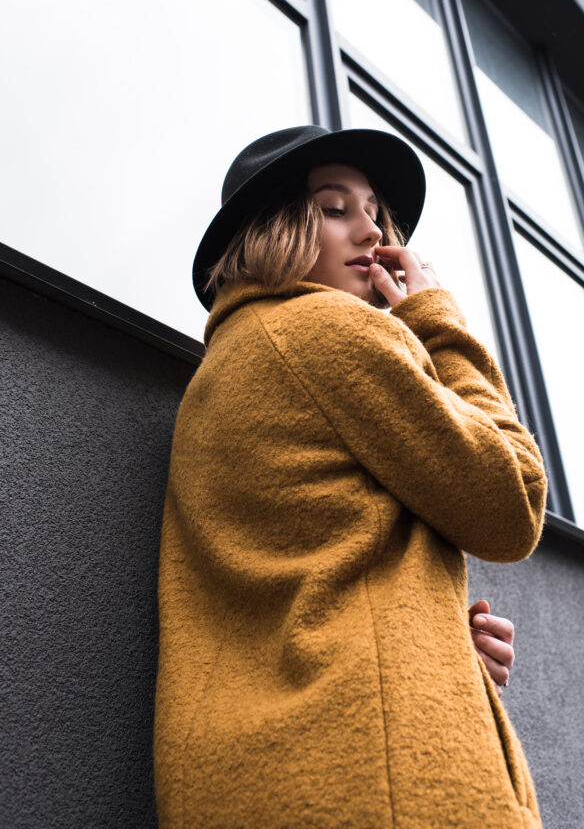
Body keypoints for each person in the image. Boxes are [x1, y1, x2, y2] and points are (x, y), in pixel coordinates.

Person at [154, 125, 548, 829]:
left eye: (375, 213)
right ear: (273, 229)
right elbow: (513, 501)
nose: (370, 231)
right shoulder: (330, 331)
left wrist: (430, 641)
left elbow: (303, 575)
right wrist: (436, 321)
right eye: (336, 209)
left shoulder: (229, 366)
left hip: (269, 774)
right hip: (378, 778)